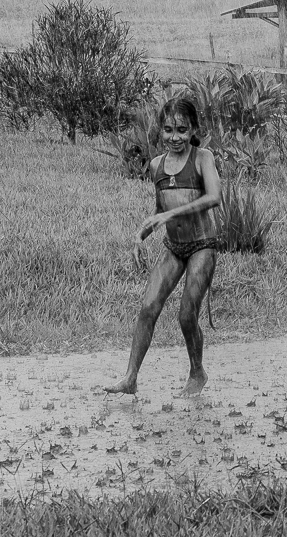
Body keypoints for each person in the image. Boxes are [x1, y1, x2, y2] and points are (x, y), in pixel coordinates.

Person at [105, 97, 222, 396]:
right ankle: (130, 378)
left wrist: (170, 214)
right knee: (148, 308)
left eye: (182, 130)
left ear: (193, 128)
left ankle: (197, 373)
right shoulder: (156, 165)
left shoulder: (202, 158)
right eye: (168, 129)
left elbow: (213, 198)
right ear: (160, 130)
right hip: (174, 247)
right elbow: (160, 210)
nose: (175, 137)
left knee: (186, 314)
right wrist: (139, 237)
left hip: (202, 246)